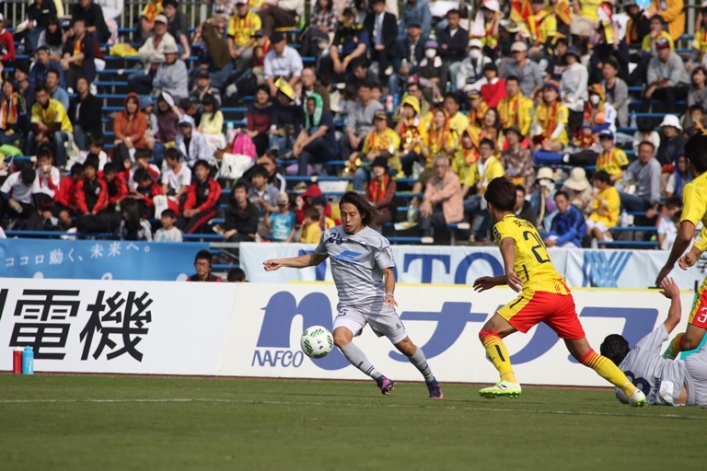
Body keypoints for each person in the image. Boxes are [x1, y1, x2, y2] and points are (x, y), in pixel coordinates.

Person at [472, 177, 646, 406]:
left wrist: (508, 269)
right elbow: (533, 265)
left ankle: (508, 380)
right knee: (587, 354)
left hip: (539, 294)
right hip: (561, 294)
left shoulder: (501, 225)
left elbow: (507, 244)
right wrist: (497, 280)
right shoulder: (527, 226)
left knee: (489, 333)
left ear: (489, 206)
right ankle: (632, 391)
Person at [264, 191, 444, 399]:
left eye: (352, 214)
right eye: (344, 214)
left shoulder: (376, 240)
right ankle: (380, 378)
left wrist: (389, 293)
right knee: (339, 338)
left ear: (362, 215)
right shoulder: (331, 235)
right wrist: (282, 262)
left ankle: (431, 381)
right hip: (350, 306)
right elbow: (314, 258)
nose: (347, 219)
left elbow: (388, 273)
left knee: (406, 347)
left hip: (376, 302)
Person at [600, 278, 702, 406]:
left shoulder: (620, 392)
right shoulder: (640, 350)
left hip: (687, 398)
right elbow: (675, 318)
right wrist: (675, 295)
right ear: (628, 347)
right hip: (689, 373)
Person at [656, 134, 707, 359]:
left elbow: (685, 234)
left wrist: (668, 265)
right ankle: (671, 353)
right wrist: (697, 250)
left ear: (689, 162)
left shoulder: (695, 188)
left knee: (691, 342)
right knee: (690, 341)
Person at [419, 155, 463, 244]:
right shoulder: (432, 180)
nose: (439, 169)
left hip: (450, 212)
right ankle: (425, 237)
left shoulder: (454, 179)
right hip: (436, 209)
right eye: (436, 166)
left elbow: (444, 194)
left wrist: (429, 201)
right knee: (423, 211)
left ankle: (425, 238)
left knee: (427, 215)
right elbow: (427, 193)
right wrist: (427, 202)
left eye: (442, 166)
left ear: (447, 167)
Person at [27, 83, 73, 168]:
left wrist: (43, 134)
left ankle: (61, 164)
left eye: (42, 96)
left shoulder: (57, 106)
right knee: (30, 134)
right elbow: (33, 125)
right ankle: (29, 162)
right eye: (38, 96)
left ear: (48, 95)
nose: (40, 99)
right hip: (48, 131)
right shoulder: (35, 107)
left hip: (64, 131)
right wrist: (43, 134)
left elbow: (57, 127)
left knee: (57, 135)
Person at [129, 15, 177, 95]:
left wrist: (149, 56)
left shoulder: (170, 40)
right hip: (149, 71)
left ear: (166, 26)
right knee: (132, 79)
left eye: (161, 25)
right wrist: (153, 53)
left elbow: (165, 57)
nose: (159, 27)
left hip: (163, 72)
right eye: (157, 24)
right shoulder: (150, 39)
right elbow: (140, 53)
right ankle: (147, 98)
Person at [293, 94, 336, 176]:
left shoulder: (326, 115)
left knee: (319, 140)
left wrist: (303, 145)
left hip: (328, 150)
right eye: (309, 105)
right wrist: (295, 147)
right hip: (314, 151)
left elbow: (319, 133)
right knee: (304, 154)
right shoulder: (307, 118)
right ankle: (301, 180)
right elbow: (303, 132)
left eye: (313, 105)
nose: (311, 107)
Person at [645, 37, 690, 114]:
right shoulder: (653, 61)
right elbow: (650, 80)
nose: (661, 51)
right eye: (659, 49)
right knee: (646, 91)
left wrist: (656, 86)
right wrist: (657, 83)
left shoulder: (676, 59)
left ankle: (671, 116)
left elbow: (673, 82)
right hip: (663, 87)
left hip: (681, 86)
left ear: (668, 49)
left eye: (663, 48)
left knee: (668, 90)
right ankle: (642, 119)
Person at [617, 140, 661, 213]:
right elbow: (625, 180)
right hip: (637, 197)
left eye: (647, 152)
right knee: (616, 203)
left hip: (647, 201)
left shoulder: (654, 166)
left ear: (652, 154)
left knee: (617, 195)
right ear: (638, 152)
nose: (644, 155)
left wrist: (654, 208)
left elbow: (655, 187)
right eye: (642, 152)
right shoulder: (636, 164)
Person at [178, 159, 221, 234]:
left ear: (207, 171)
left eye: (201, 170)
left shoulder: (213, 184)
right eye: (197, 170)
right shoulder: (194, 184)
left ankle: (185, 236)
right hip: (195, 210)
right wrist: (186, 209)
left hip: (210, 210)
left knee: (197, 219)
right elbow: (190, 198)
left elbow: (211, 201)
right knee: (182, 220)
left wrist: (196, 211)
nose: (199, 172)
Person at [364, 0, 398, 84]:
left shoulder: (391, 17)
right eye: (375, 5)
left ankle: (381, 80)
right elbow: (366, 31)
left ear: (384, 5)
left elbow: (393, 35)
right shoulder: (370, 17)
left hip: (387, 47)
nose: (377, 7)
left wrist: (384, 45)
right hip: (373, 45)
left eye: (379, 5)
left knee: (382, 54)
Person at [60, 18, 96, 91]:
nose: (77, 28)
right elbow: (67, 51)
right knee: (66, 65)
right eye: (76, 26)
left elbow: (83, 54)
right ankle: (69, 88)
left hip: (85, 67)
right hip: (74, 67)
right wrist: (66, 60)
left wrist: (67, 60)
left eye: (80, 26)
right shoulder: (71, 39)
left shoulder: (88, 39)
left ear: (84, 28)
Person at [228, 0, 262, 75]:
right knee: (225, 52)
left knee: (245, 55)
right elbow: (230, 36)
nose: (241, 8)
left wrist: (241, 50)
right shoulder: (233, 18)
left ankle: (237, 74)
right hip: (236, 44)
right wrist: (230, 49)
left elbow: (254, 38)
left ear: (247, 5)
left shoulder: (254, 18)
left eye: (242, 5)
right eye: (239, 6)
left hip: (250, 46)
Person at [585, 170, 619, 245]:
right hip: (596, 216)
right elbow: (594, 206)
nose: (596, 184)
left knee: (596, 228)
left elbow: (610, 206)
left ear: (604, 182)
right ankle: (589, 245)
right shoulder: (600, 192)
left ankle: (602, 247)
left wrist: (597, 197)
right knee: (586, 226)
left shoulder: (613, 191)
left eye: (597, 182)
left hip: (608, 218)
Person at [68, 76, 101, 151]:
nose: (81, 86)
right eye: (79, 83)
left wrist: (76, 125)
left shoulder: (94, 101)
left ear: (88, 85)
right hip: (74, 130)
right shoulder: (74, 102)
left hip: (90, 133)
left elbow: (90, 120)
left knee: (77, 128)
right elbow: (69, 117)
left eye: (83, 83)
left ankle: (82, 152)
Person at [366, 156, 396, 230]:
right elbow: (367, 196)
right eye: (375, 167)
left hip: (386, 211)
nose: (377, 169)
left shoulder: (390, 182)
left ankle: (374, 237)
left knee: (372, 219)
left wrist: (374, 205)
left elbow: (387, 199)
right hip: (372, 210)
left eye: (380, 167)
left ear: (385, 169)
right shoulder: (371, 182)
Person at [0, 80, 28, 147]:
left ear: (13, 87)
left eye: (8, 86)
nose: (6, 89)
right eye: (5, 86)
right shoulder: (1, 100)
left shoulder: (19, 98)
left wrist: (13, 130)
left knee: (2, 140)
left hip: (17, 131)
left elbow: (23, 118)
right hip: (3, 130)